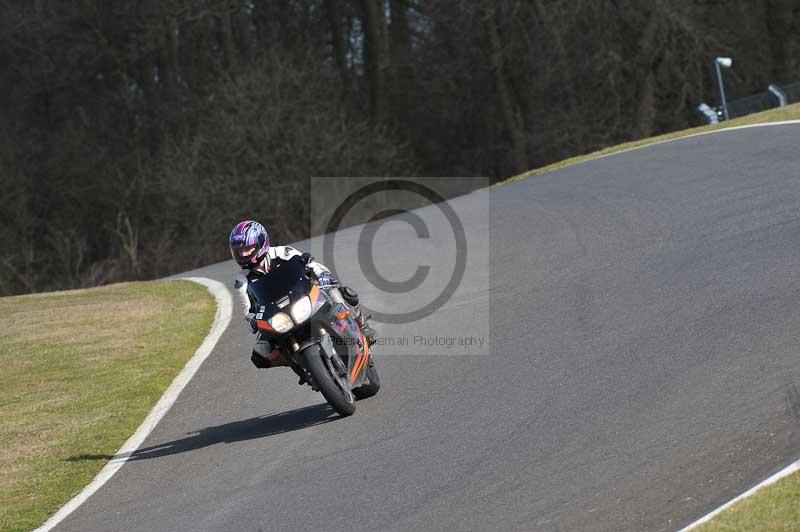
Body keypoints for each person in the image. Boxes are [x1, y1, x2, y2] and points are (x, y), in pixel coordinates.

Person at [228, 220, 376, 376]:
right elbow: (247, 309)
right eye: (239, 251)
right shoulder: (241, 279)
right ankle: (301, 364)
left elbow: (310, 264)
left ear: (261, 243)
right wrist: (253, 320)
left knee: (340, 293)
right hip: (276, 315)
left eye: (247, 249)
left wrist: (322, 276)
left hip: (303, 297)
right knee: (260, 354)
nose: (243, 254)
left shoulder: (282, 252)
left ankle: (362, 326)